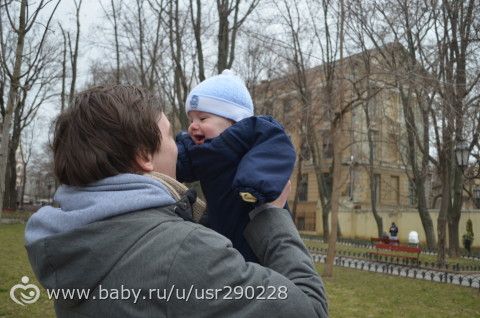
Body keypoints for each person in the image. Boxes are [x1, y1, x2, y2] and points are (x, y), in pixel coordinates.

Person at [24, 85, 328, 317]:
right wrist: (271, 216)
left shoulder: (66, 240)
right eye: (171, 135)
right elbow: (309, 309)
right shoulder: (186, 252)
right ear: (144, 156)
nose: (182, 144)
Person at [176, 69, 296, 262]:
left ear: (234, 122)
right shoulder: (204, 153)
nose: (192, 125)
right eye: (191, 119)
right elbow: (181, 161)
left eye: (203, 118)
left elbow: (275, 150)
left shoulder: (256, 135)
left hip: (256, 221)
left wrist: (255, 184)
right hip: (222, 232)